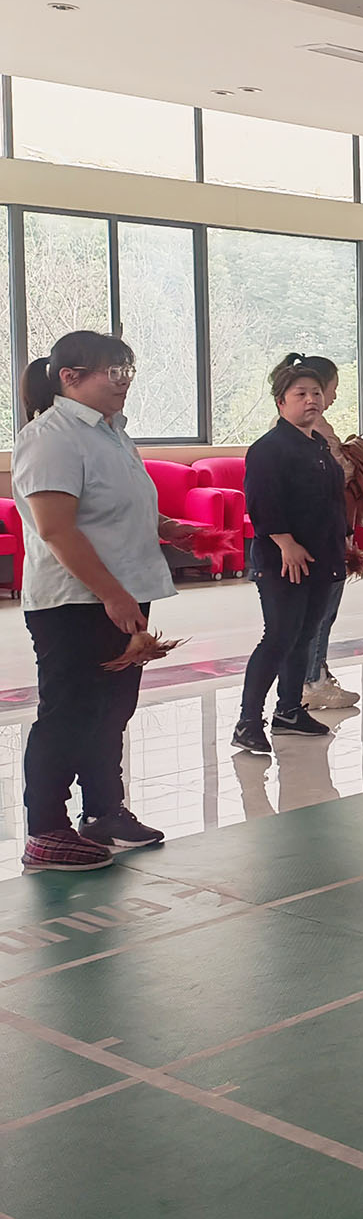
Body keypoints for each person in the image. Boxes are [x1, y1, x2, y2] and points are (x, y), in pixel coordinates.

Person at [13, 332, 196, 871]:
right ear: (70, 378)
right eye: (113, 372)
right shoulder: (50, 438)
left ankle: (103, 812)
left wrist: (165, 526)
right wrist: (112, 595)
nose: (125, 382)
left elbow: (108, 504)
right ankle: (46, 830)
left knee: (112, 711)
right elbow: (56, 529)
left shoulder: (112, 432)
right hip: (75, 601)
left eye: (127, 371)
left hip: (124, 595)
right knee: (68, 715)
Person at [233, 355, 352, 754]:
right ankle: (248, 721)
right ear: (281, 402)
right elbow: (261, 503)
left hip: (321, 557)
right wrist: (285, 542)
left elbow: (333, 501)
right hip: (283, 561)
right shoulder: (269, 449)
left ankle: (289, 710)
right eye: (300, 394)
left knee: (304, 637)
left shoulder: (318, 445)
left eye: (316, 393)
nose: (311, 400)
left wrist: (344, 541)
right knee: (279, 637)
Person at [297, 356, 361, 714]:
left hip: (320, 531)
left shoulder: (293, 431)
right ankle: (312, 681)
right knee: (320, 612)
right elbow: (341, 473)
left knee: (313, 613)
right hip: (321, 535)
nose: (331, 397)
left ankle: (311, 675)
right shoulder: (315, 431)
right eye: (331, 389)